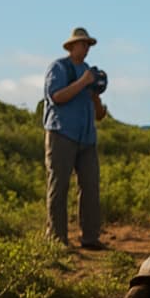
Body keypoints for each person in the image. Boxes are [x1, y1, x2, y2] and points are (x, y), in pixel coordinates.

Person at [42, 26, 108, 250]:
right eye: (83, 44)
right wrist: (83, 83)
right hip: (62, 133)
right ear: (71, 46)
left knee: (90, 187)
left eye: (88, 44)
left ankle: (90, 238)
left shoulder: (90, 71)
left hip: (87, 137)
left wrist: (96, 95)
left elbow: (99, 115)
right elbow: (56, 97)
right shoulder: (59, 67)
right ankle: (57, 239)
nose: (87, 48)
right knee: (59, 186)